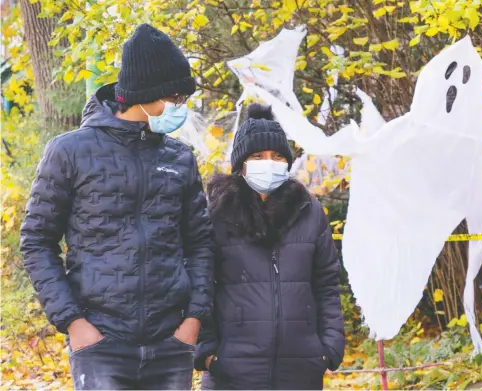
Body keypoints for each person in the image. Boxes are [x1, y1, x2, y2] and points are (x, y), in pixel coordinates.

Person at [20, 24, 214, 390]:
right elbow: (36, 241)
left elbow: (201, 243)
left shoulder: (180, 158)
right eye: (174, 97)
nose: (179, 107)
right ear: (147, 92)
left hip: (171, 342)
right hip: (100, 343)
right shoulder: (69, 152)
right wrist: (74, 322)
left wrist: (194, 321)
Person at [194, 103, 345, 390]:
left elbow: (325, 283)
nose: (269, 162)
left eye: (277, 155)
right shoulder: (216, 214)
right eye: (258, 155)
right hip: (231, 374)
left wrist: (329, 348)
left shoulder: (308, 210)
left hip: (300, 372)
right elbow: (199, 284)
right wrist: (208, 353)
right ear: (241, 163)